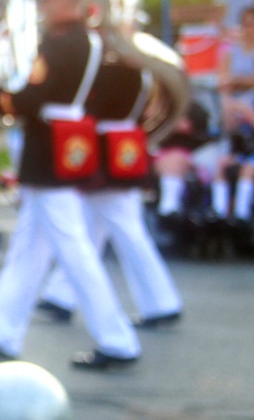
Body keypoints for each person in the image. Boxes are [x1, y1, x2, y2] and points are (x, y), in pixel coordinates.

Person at [0, 0, 141, 370]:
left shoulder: (58, 44)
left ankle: (116, 339)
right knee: (28, 246)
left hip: (47, 144)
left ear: (64, 1)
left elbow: (32, 99)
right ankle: (3, 330)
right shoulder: (88, 39)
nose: (41, 6)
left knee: (71, 248)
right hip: (64, 138)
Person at [35, 60, 184, 329]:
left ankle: (161, 302)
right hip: (120, 146)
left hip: (108, 149)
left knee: (123, 227)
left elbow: (94, 108)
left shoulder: (116, 70)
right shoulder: (135, 70)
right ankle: (61, 295)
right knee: (95, 226)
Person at [210, 6, 254, 226]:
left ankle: (241, 214)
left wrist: (239, 81)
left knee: (249, 169)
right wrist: (229, 106)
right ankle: (220, 215)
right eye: (247, 24)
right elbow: (223, 83)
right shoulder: (231, 51)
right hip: (236, 117)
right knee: (221, 165)